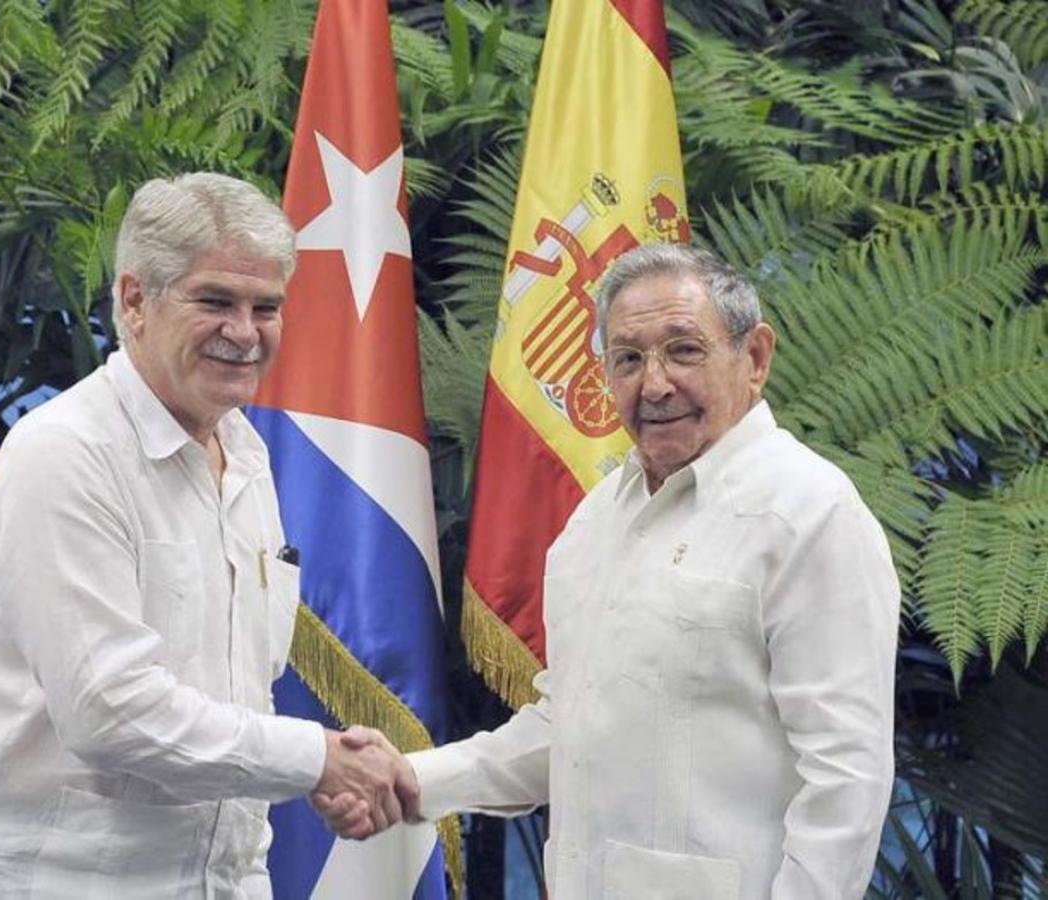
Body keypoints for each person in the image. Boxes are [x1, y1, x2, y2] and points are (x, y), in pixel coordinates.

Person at [318, 243, 901, 899]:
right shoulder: (596, 521)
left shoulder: (810, 515)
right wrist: (415, 778)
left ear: (755, 358)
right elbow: (568, 726)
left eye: (683, 350)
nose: (653, 384)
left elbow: (847, 774)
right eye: (628, 358)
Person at [0, 173, 414, 899]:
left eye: (265, 307)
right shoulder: (66, 452)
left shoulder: (246, 457)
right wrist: (314, 759)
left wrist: (308, 775)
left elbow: (239, 695)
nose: (245, 333)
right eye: (215, 301)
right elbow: (109, 710)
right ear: (134, 300)